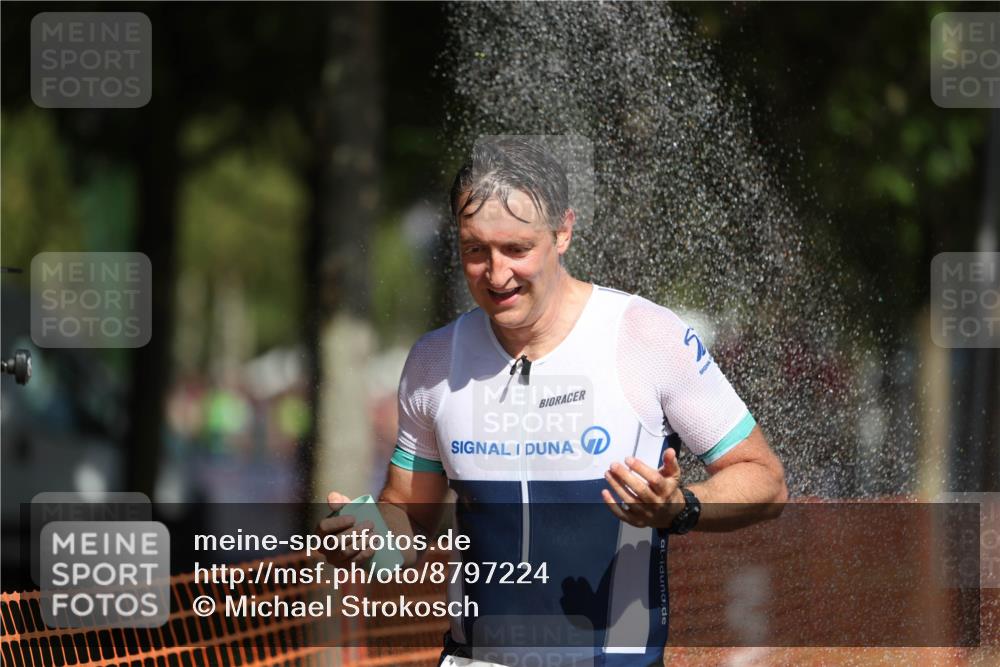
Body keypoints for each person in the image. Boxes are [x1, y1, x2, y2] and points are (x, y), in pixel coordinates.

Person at [320, 138, 788, 666]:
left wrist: (681, 508)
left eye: (517, 249)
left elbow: (765, 480)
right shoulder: (433, 362)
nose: (496, 276)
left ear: (563, 231)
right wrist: (370, 539)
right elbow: (409, 517)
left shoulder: (645, 337)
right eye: (476, 250)